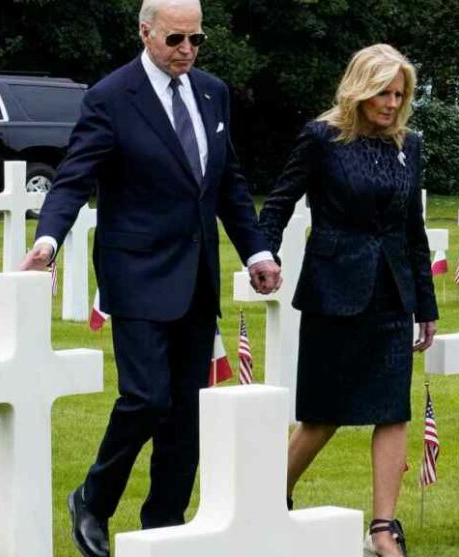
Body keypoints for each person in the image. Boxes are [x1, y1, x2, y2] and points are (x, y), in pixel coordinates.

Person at [19, 0, 282, 555]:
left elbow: (227, 183)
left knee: (187, 409)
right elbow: (72, 179)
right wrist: (48, 240)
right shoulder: (111, 97)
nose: (186, 51)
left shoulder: (213, 93)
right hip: (136, 271)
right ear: (145, 33)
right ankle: (94, 498)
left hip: (197, 275)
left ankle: (165, 523)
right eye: (175, 40)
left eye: (196, 40)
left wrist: (257, 251)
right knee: (146, 397)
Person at [258, 44, 438, 557]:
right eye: (384, 91)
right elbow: (279, 201)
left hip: (391, 293)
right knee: (323, 413)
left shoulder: (410, 145)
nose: (391, 102)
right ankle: (271, 495)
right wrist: (261, 254)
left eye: (400, 93)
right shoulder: (323, 138)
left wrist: (425, 305)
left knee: (393, 410)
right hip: (334, 289)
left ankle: (384, 529)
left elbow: (413, 230)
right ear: (360, 88)